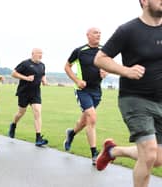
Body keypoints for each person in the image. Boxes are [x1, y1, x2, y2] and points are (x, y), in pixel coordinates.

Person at [94, 0, 162, 186]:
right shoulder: (128, 30)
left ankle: (112, 151)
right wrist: (126, 71)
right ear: (144, 1)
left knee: (156, 158)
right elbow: (100, 59)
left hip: (160, 100)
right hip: (135, 99)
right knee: (148, 154)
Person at [63, 27, 107, 165]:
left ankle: (71, 134)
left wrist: (105, 71)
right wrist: (77, 80)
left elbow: (108, 65)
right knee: (92, 118)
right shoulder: (80, 51)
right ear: (88, 35)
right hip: (83, 90)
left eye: (99, 33)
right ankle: (94, 154)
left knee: (84, 121)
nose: (98, 35)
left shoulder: (104, 50)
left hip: (97, 91)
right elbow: (67, 66)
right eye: (95, 32)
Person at [8, 48, 48, 147]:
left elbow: (43, 74)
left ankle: (38, 138)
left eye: (41, 53)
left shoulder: (42, 65)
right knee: (21, 112)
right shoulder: (25, 64)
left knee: (37, 112)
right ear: (33, 54)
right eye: (38, 53)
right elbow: (13, 73)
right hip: (24, 92)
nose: (40, 55)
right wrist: (26, 78)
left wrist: (44, 80)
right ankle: (13, 125)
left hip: (35, 93)